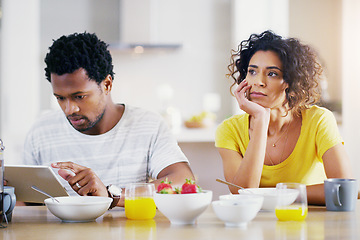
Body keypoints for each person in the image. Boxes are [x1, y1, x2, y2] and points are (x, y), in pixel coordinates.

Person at [23, 32, 194, 208]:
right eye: (60, 98)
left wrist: (113, 196)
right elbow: (23, 200)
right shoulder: (41, 131)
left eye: (79, 96)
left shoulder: (147, 125)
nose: (69, 109)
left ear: (107, 84)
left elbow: (182, 180)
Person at [215, 30, 353, 205]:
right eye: (252, 71)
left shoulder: (318, 120)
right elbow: (243, 193)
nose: (259, 81)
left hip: (308, 226)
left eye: (272, 73)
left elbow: (344, 191)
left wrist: (280, 195)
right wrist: (261, 120)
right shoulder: (229, 130)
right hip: (256, 229)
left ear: (290, 81)